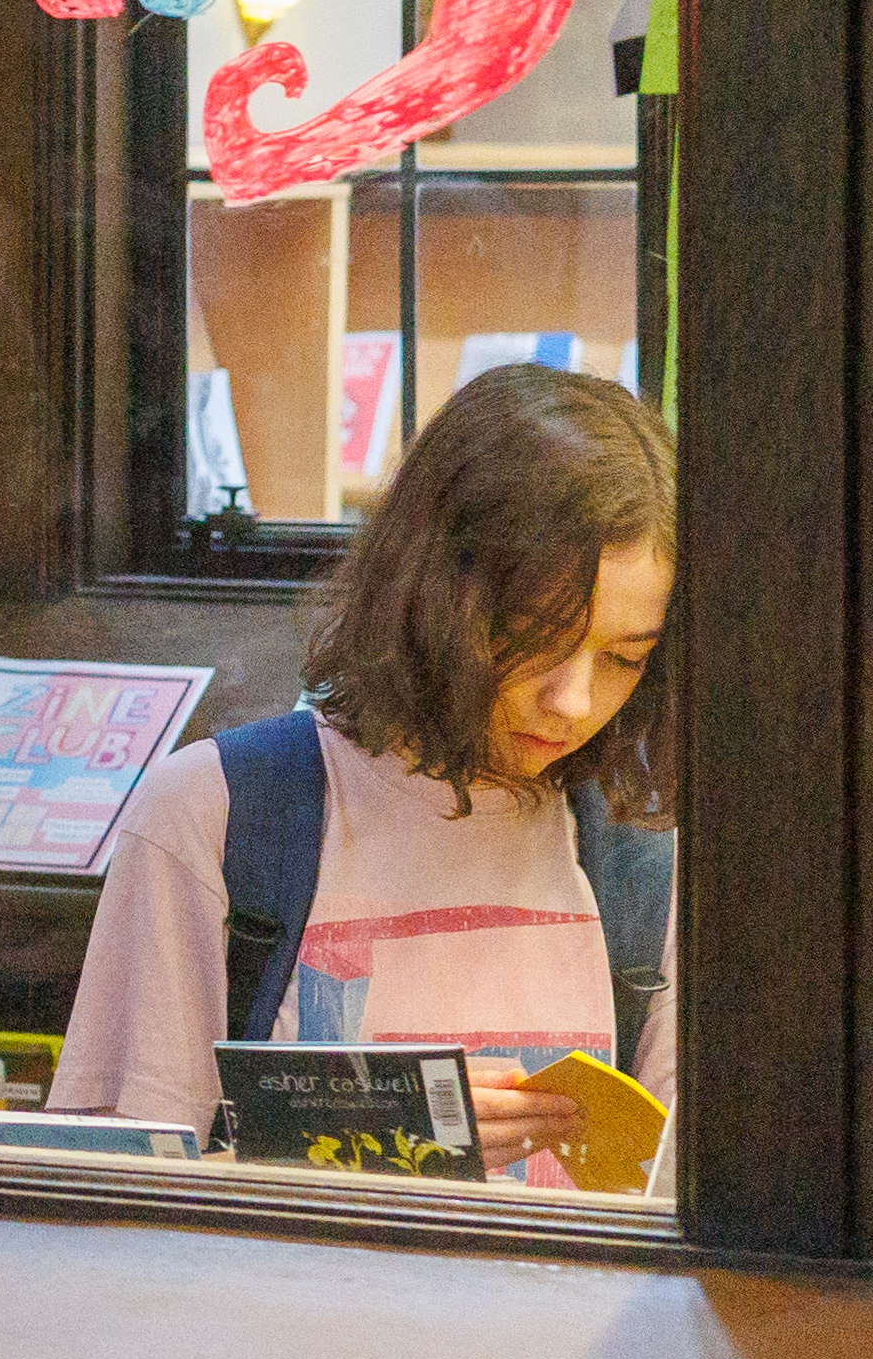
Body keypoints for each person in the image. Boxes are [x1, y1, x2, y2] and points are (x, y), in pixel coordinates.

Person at [53, 361, 676, 1167]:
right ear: (432, 597)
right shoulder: (215, 814)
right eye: (533, 639)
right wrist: (379, 1147)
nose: (572, 700)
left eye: (623, 659)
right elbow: (113, 1207)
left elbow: (679, 1228)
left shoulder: (641, 863)